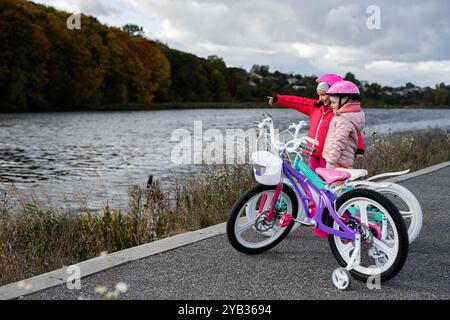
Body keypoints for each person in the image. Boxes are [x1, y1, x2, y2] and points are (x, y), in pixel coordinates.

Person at [268, 74, 364, 173]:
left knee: (328, 180)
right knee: (312, 179)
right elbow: (297, 101)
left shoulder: (340, 113)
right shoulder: (315, 107)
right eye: (319, 95)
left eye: (324, 95)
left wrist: (359, 149)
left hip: (327, 155)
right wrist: (278, 99)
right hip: (313, 152)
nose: (320, 98)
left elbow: (353, 130)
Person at [323, 80, 365, 169]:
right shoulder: (347, 117)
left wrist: (330, 162)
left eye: (334, 102)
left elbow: (339, 141)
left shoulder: (344, 120)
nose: (331, 105)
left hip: (338, 163)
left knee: (335, 183)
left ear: (345, 101)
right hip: (341, 161)